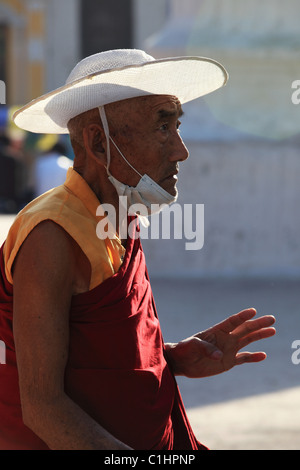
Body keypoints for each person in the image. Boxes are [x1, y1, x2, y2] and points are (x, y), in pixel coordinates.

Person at [0, 49, 276, 450]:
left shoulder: (117, 214)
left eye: (177, 126)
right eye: (163, 128)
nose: (181, 150)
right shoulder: (52, 236)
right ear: (98, 141)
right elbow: (43, 406)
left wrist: (171, 359)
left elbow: (91, 360)